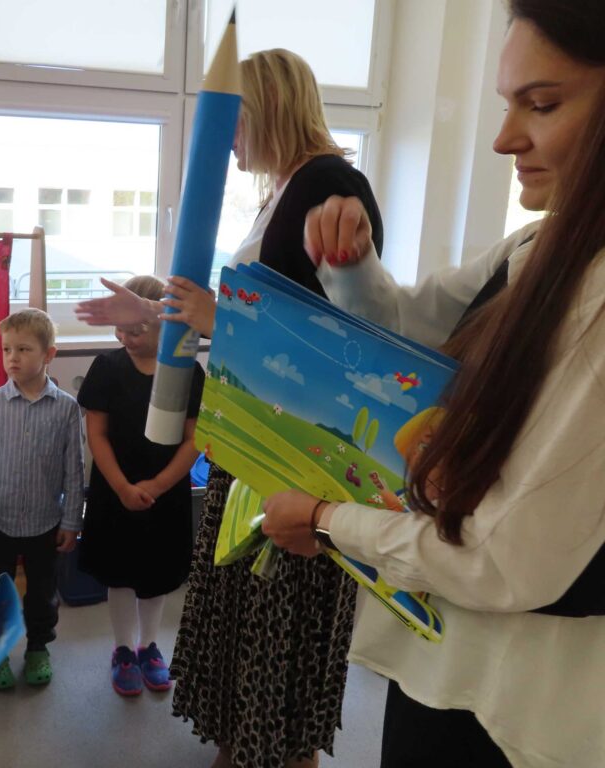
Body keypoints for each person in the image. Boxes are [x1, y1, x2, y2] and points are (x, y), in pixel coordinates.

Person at [263, 3, 605, 765]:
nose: (503, 139)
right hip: (452, 656)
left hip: (524, 702)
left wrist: (327, 520)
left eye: (542, 104)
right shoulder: (536, 246)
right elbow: (412, 332)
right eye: (508, 103)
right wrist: (353, 268)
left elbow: (502, 561)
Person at [77, 50, 383, 767]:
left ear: (268, 107)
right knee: (247, 616)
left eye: (232, 120)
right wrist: (153, 313)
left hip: (291, 455)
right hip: (252, 442)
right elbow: (250, 318)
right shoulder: (287, 190)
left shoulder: (329, 185)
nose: (227, 139)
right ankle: (245, 745)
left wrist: (212, 317)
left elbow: (341, 346)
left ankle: (275, 750)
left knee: (277, 619)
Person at [76, 275, 205, 697]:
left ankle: (149, 646)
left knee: (157, 572)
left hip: (165, 493)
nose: (125, 338)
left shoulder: (188, 373)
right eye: (121, 329)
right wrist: (121, 487)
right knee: (119, 573)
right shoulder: (107, 368)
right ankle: (122, 649)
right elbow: (96, 435)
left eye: (136, 330)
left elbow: (195, 438)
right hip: (116, 490)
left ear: (164, 324)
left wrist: (159, 484)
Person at [0, 308, 84, 689]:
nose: (12, 358)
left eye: (24, 349)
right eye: (6, 349)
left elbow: (75, 470)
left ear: (49, 354)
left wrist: (71, 521)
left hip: (45, 525)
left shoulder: (66, 409)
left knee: (43, 594)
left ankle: (37, 648)